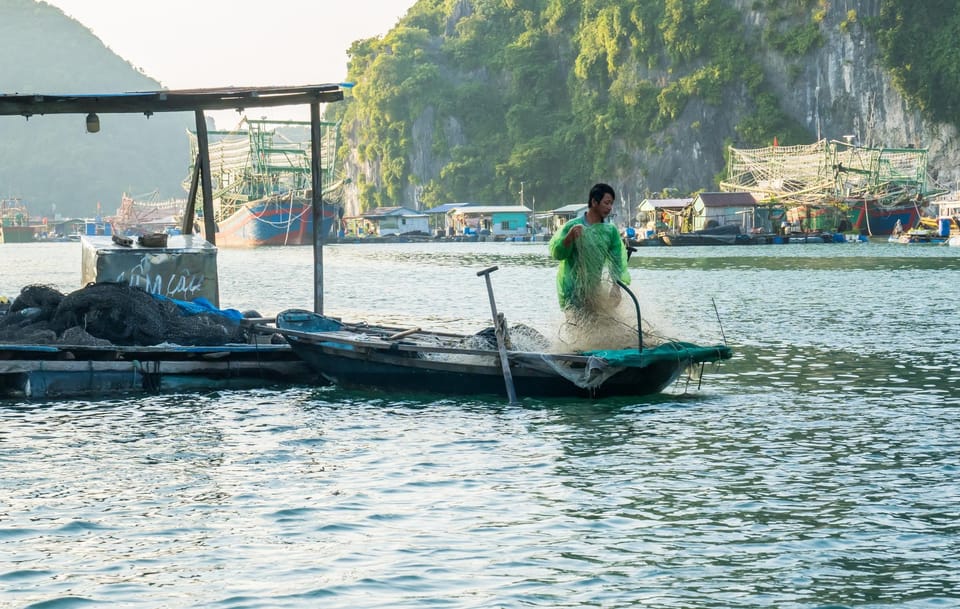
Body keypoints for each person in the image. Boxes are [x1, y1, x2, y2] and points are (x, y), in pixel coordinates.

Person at [549, 183, 630, 316]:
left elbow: (617, 260)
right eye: (606, 203)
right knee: (576, 328)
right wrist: (569, 238)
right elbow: (557, 254)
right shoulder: (573, 226)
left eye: (611, 204)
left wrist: (616, 286)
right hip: (571, 289)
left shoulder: (610, 231)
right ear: (594, 202)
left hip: (593, 290)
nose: (609, 208)